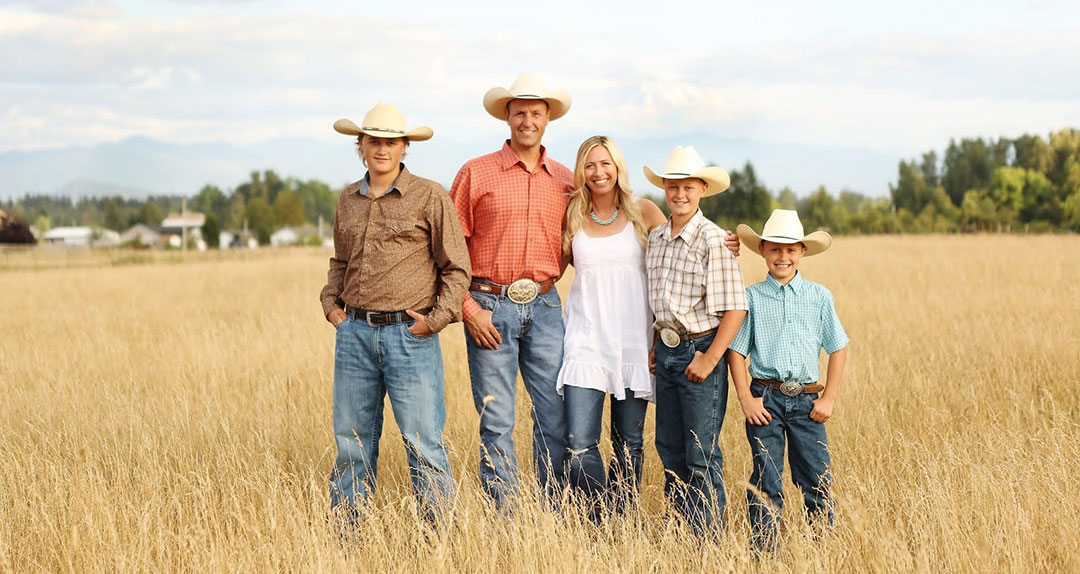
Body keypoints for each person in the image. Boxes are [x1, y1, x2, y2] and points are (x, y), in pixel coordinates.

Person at [319, 103, 471, 526]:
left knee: (424, 444)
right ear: (361, 146)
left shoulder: (429, 195)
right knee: (352, 444)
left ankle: (436, 537)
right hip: (354, 335)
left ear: (405, 147)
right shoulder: (347, 199)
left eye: (391, 141)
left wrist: (434, 321)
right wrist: (333, 307)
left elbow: (457, 268)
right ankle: (349, 536)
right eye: (374, 141)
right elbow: (340, 261)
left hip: (410, 336)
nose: (382, 149)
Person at [449, 74, 574, 509]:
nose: (527, 120)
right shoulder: (474, 172)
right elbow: (448, 251)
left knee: (554, 415)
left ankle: (553, 512)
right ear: (506, 116)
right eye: (519, 111)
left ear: (547, 119)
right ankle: (504, 519)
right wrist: (468, 309)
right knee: (496, 419)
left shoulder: (566, 180)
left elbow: (596, 239)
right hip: (489, 305)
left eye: (536, 113)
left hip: (544, 305)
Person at [556, 135, 667, 520]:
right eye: (590, 165)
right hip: (586, 340)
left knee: (630, 444)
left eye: (605, 163)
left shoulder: (645, 212)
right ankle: (598, 521)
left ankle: (624, 522)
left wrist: (725, 243)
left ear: (618, 167)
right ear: (581, 171)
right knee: (580, 443)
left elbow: (682, 247)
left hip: (635, 341)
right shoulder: (571, 214)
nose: (598, 172)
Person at [726, 209, 849, 553]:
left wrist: (829, 398)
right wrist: (746, 400)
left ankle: (821, 549)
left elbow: (838, 347)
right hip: (765, 398)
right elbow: (736, 351)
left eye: (790, 249)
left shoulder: (819, 296)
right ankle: (765, 551)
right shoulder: (751, 297)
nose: (783, 256)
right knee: (767, 478)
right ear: (763, 250)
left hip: (808, 401)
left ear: (802, 252)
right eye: (775, 249)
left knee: (816, 478)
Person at [644, 145, 748, 535]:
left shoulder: (713, 240)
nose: (680, 194)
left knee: (700, 452)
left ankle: (708, 541)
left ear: (702, 189)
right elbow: (661, 300)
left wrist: (709, 359)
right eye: (673, 186)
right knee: (669, 450)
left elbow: (735, 309)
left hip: (699, 350)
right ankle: (681, 534)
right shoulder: (656, 238)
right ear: (665, 189)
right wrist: (658, 343)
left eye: (688, 187)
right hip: (667, 352)